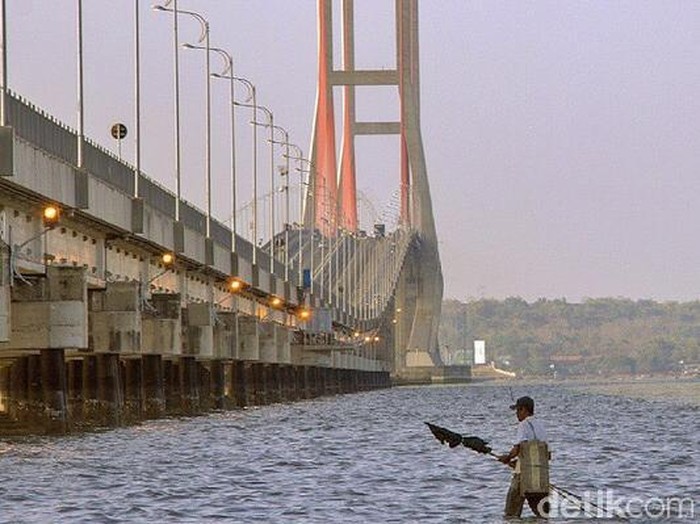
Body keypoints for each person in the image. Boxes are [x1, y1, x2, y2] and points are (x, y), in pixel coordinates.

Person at [497, 396, 550, 518]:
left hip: (522, 476)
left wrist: (507, 458)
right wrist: (519, 461)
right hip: (540, 476)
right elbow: (547, 454)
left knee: (511, 513)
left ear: (524, 410)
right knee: (542, 514)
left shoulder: (523, 425)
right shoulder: (540, 425)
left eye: (518, 410)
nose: (516, 414)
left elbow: (518, 448)